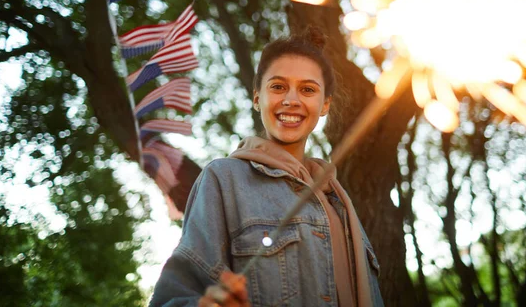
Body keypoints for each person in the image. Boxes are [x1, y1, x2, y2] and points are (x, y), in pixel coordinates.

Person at [149, 27, 384, 306]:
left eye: (308, 89)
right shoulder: (224, 179)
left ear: (324, 105)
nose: (291, 100)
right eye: (278, 86)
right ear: (257, 97)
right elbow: (173, 296)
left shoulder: (337, 199)